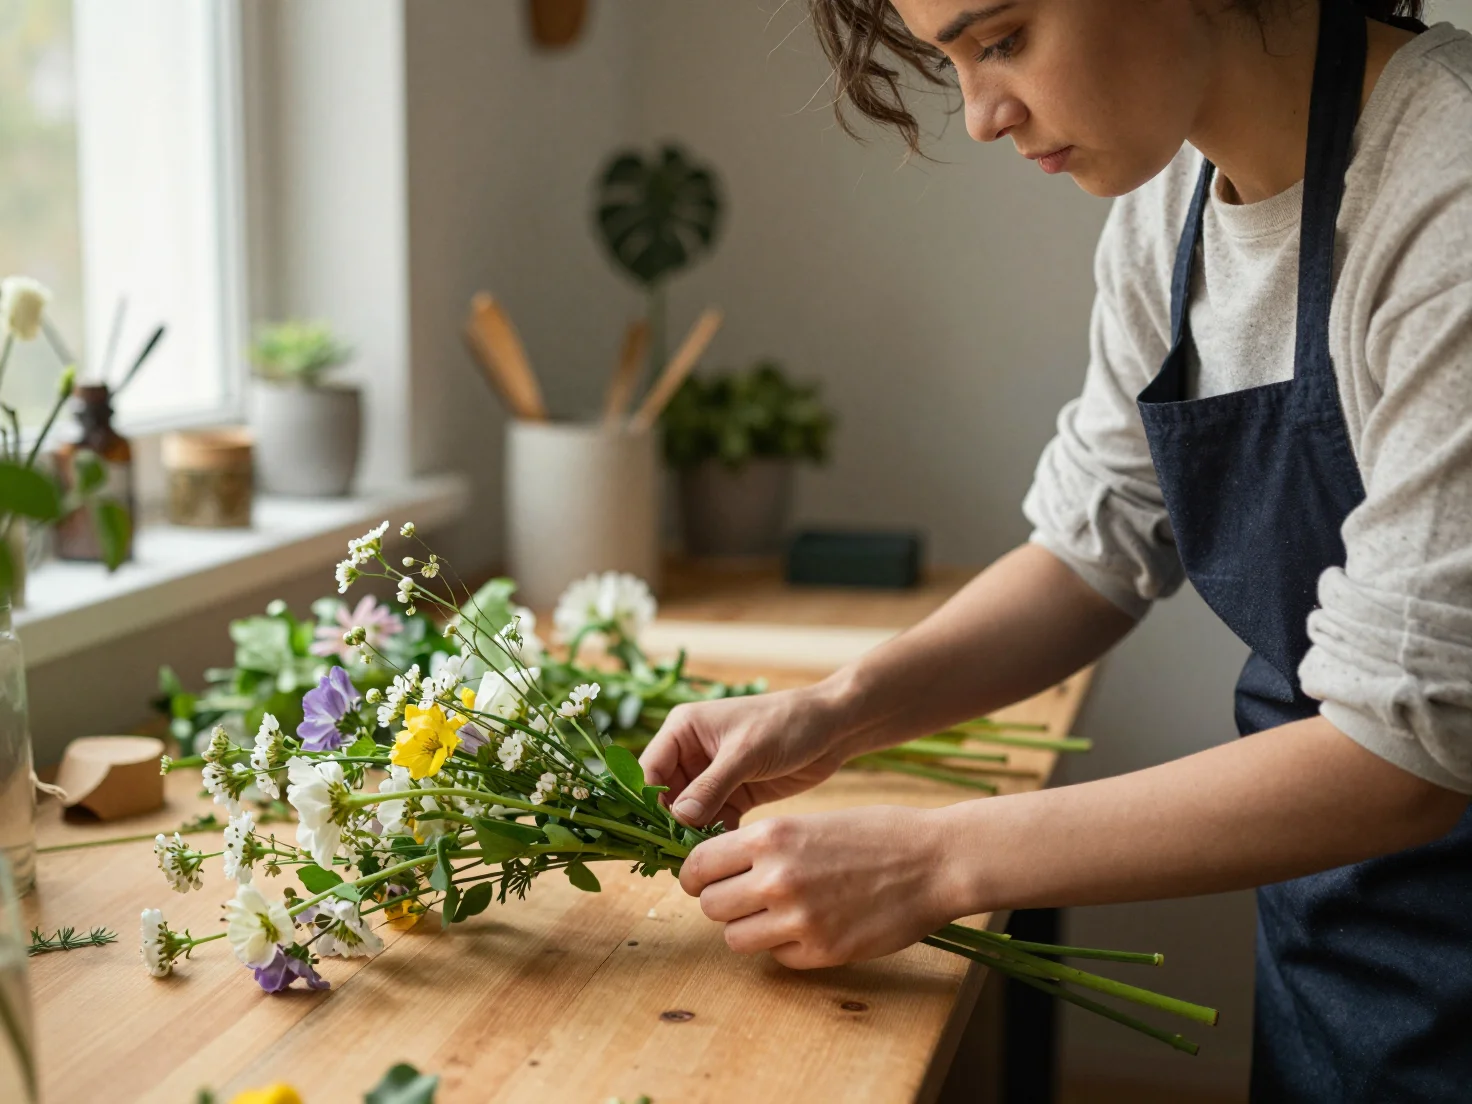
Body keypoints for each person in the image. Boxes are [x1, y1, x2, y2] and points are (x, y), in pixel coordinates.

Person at [639, 1, 1472, 1098]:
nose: (980, 117)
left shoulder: (1443, 192)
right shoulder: (1168, 207)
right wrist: (836, 710)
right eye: (952, 60)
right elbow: (1093, 545)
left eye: (1000, 38)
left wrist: (933, 860)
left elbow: (1402, 748)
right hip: (1335, 946)